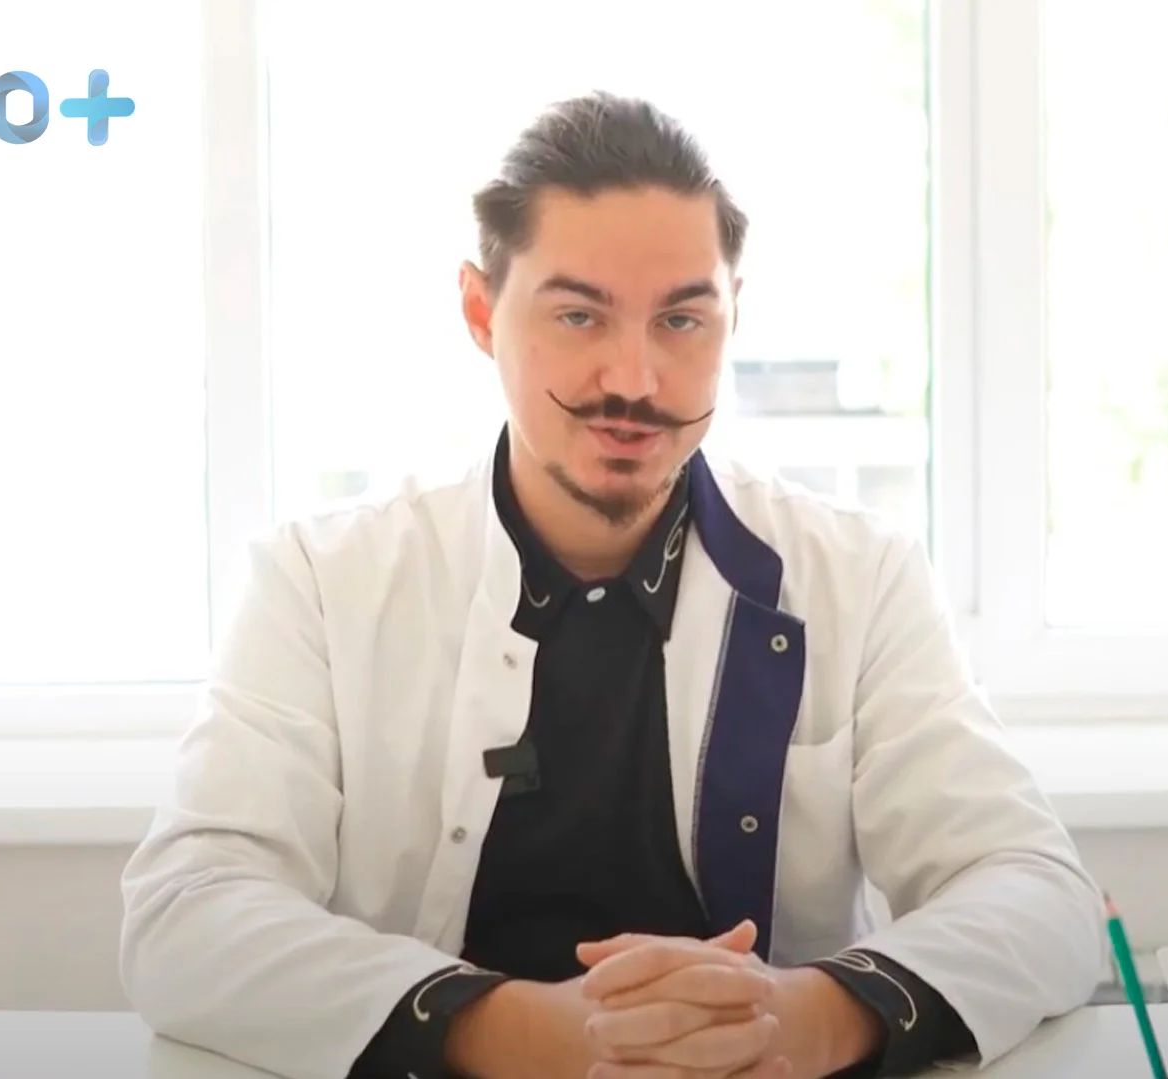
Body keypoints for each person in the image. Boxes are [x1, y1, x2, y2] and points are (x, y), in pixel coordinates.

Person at [119, 91, 1105, 1079]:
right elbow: (187, 912)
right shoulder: (320, 582)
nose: (634, 377)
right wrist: (526, 1033)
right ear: (479, 311)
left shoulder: (861, 575)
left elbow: (1039, 891)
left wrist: (803, 1017)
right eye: (578, 314)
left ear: (732, 315)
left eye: (681, 318)